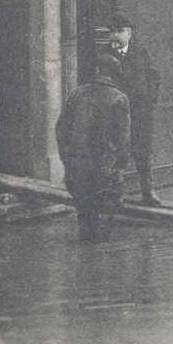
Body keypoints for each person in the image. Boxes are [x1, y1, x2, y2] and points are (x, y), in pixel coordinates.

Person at [56, 53, 131, 233]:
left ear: (96, 71)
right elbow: (123, 138)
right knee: (104, 213)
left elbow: (61, 128)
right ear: (114, 74)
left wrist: (66, 156)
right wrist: (120, 163)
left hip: (78, 162)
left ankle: (86, 248)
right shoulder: (119, 98)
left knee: (84, 210)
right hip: (105, 165)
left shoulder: (77, 93)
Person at [106, 13, 162, 206]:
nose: (116, 35)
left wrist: (149, 99)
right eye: (112, 32)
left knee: (143, 153)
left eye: (120, 31)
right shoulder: (105, 56)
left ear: (129, 33)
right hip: (116, 115)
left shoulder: (140, 53)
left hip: (140, 113)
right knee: (117, 153)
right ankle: (116, 194)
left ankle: (148, 192)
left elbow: (154, 77)